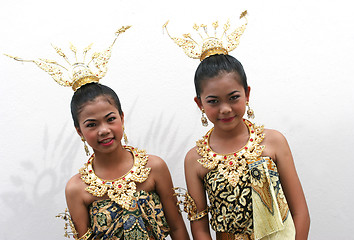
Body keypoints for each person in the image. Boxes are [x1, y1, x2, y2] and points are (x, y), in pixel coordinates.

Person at [7, 27, 189, 240]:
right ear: (79, 131)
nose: (104, 130)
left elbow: (177, 229)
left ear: (122, 118)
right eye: (92, 124)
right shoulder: (76, 189)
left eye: (110, 119)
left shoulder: (154, 167)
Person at [164, 12, 310, 240]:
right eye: (213, 101)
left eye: (233, 97)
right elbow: (200, 228)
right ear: (199, 103)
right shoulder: (195, 160)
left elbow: (300, 211)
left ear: (247, 93)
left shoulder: (273, 142)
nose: (225, 109)